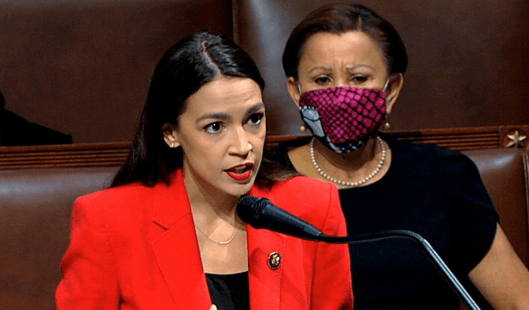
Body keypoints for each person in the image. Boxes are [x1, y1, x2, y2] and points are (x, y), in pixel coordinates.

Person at [275, 4, 529, 309]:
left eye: (359, 79)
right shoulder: (265, 184)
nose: (341, 96)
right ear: (296, 91)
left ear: (390, 89)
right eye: (322, 80)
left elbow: (520, 302)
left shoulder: (443, 176)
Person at [55, 32, 352, 310]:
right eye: (215, 127)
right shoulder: (109, 221)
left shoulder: (311, 207)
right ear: (171, 133)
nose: (242, 146)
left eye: (254, 119)